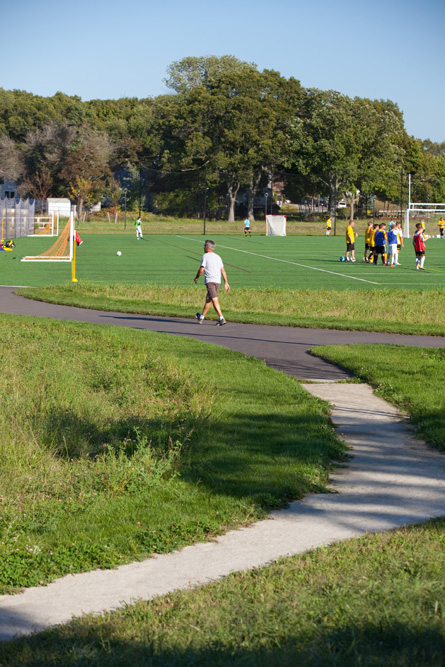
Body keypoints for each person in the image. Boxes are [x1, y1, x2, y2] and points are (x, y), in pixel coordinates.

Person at [194, 239, 230, 325]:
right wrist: (226, 282)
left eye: (204, 246)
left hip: (210, 280)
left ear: (207, 247)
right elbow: (223, 270)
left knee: (214, 299)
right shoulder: (218, 257)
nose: (203, 247)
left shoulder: (205, 256)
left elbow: (201, 269)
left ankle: (221, 318)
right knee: (208, 299)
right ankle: (201, 318)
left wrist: (196, 277)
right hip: (218, 281)